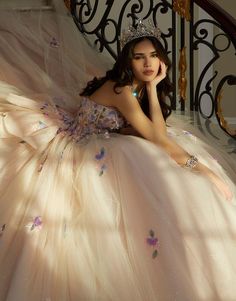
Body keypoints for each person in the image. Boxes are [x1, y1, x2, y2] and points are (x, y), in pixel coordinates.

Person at [0, 4, 235, 301]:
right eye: (139, 58)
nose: (148, 64)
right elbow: (157, 138)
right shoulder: (122, 90)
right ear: (128, 61)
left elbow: (157, 133)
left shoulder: (138, 86)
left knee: (164, 150)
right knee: (153, 160)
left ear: (162, 60)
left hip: (106, 138)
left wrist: (153, 87)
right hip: (79, 144)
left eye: (153, 57)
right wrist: (199, 168)